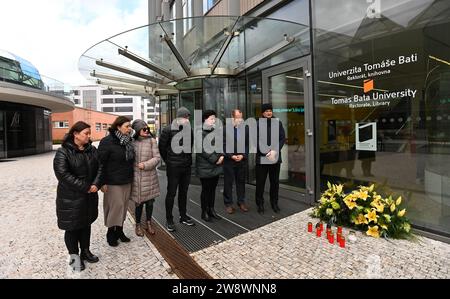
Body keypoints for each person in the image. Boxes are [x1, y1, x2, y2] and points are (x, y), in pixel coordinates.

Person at [53, 121, 102, 272]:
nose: (89, 136)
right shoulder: (63, 152)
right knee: (72, 228)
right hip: (71, 198)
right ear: (75, 134)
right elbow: (62, 174)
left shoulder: (92, 150)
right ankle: (74, 257)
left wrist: (96, 184)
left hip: (89, 197)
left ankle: (85, 252)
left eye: (89, 133)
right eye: (86, 133)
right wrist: (86, 187)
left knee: (86, 224)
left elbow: (101, 167)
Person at [98, 116, 134, 247]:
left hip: (127, 180)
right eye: (127, 126)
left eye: (130, 126)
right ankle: (110, 232)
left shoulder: (129, 141)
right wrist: (101, 182)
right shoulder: (107, 142)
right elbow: (100, 163)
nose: (130, 129)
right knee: (115, 207)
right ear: (118, 127)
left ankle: (119, 231)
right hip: (112, 181)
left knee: (124, 207)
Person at [158, 107, 195, 232]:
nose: (187, 120)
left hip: (186, 167)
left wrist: (188, 160)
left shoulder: (189, 129)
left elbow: (191, 145)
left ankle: (183, 216)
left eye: (188, 117)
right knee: (171, 193)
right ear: (179, 117)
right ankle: (169, 219)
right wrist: (169, 161)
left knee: (183, 193)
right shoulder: (167, 130)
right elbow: (162, 148)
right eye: (186, 117)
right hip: (173, 168)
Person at [130, 120, 161, 236]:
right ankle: (138, 224)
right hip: (136, 177)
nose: (146, 131)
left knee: (150, 202)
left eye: (147, 128)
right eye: (144, 129)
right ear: (138, 130)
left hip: (150, 177)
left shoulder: (152, 141)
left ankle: (148, 223)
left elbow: (157, 158)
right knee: (138, 203)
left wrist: (145, 165)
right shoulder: (132, 142)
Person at [255, 103, 286, 214]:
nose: (269, 112)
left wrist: (274, 151)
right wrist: (266, 152)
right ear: (262, 113)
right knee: (260, 183)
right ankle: (260, 204)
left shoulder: (278, 123)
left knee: (275, 182)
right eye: (266, 111)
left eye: (270, 111)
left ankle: (274, 203)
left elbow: (282, 138)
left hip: (275, 157)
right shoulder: (257, 124)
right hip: (262, 158)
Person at [196, 110, 224, 222]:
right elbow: (202, 149)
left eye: (215, 118)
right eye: (211, 118)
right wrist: (215, 159)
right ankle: (204, 212)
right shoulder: (199, 132)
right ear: (205, 119)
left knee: (213, 189)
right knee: (206, 190)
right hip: (205, 166)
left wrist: (221, 156)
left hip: (216, 166)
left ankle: (211, 210)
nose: (214, 120)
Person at [223, 109, 249, 214]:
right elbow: (223, 145)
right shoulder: (225, 129)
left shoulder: (246, 129)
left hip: (241, 161)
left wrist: (243, 155)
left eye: (241, 117)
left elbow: (248, 144)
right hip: (229, 161)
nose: (240, 119)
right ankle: (228, 204)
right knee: (228, 183)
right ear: (232, 117)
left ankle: (241, 202)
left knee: (241, 182)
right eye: (238, 117)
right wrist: (231, 156)